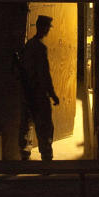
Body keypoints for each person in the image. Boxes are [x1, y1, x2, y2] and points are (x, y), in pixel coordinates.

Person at [16, 14, 60, 160]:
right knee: (45, 127)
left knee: (27, 125)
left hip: (26, 92)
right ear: (44, 27)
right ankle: (46, 160)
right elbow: (44, 74)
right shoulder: (40, 48)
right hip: (39, 94)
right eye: (47, 27)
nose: (48, 30)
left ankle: (25, 156)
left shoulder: (28, 45)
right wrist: (52, 93)